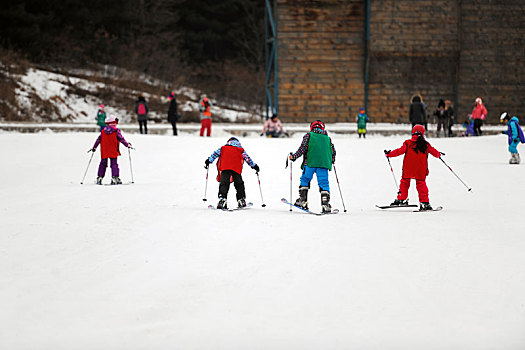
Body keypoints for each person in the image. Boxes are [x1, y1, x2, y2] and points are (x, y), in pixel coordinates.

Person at [384, 124, 443, 211]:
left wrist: (389, 154)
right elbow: (434, 152)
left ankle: (401, 199)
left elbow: (399, 151)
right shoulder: (425, 144)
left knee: (404, 183)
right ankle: (425, 203)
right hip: (420, 170)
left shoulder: (408, 143)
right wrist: (439, 154)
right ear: (423, 133)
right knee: (421, 185)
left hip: (408, 168)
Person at [289, 120, 336, 213]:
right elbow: (333, 151)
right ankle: (325, 204)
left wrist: (293, 157)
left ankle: (303, 201)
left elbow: (302, 149)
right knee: (324, 183)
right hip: (323, 163)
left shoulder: (309, 136)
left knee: (305, 179)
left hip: (310, 162)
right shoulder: (327, 138)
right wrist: (332, 160)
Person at [204, 137, 260, 209]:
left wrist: (209, 160)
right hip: (236, 168)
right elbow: (247, 158)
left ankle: (222, 200)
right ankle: (241, 200)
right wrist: (254, 166)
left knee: (224, 183)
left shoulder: (223, 148)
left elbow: (215, 154)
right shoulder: (240, 149)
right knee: (239, 183)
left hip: (225, 167)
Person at [90, 115, 132, 185]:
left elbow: (98, 140)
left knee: (103, 164)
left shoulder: (103, 131)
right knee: (114, 164)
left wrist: (94, 147)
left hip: (104, 150)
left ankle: (100, 177)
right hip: (113, 150)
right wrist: (127, 145)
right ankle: (114, 177)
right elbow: (121, 139)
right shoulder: (116, 131)